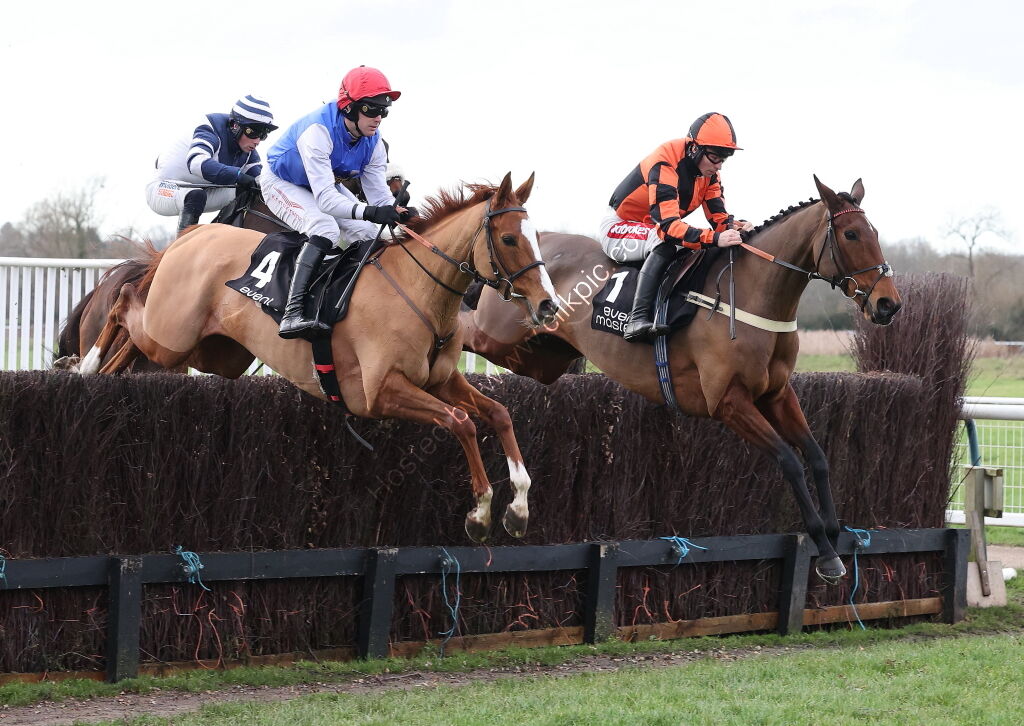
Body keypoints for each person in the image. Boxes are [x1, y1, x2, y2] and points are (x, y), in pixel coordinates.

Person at [260, 65, 417, 339]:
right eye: (371, 109)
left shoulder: (374, 142)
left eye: (384, 110)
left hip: (320, 183)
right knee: (325, 228)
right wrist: (371, 211)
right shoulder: (318, 131)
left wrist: (397, 213)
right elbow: (326, 202)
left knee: (371, 233)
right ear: (348, 107)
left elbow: (379, 196)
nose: (378, 117)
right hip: (281, 181)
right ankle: (292, 313)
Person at [599, 112, 753, 342]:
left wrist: (737, 228)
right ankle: (636, 319)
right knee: (666, 241)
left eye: (724, 159)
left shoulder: (710, 175)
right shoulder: (665, 162)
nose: (719, 166)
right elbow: (669, 227)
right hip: (620, 226)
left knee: (696, 245)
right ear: (694, 148)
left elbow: (718, 219)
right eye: (714, 157)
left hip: (653, 227)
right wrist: (715, 238)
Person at [146, 95, 277, 236]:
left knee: (250, 192)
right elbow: (196, 163)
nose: (257, 141)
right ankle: (180, 249)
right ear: (235, 126)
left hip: (205, 192)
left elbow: (262, 182)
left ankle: (221, 239)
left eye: (263, 135)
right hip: (164, 189)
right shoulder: (210, 129)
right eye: (253, 132)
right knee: (195, 196)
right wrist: (238, 175)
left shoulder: (249, 152)